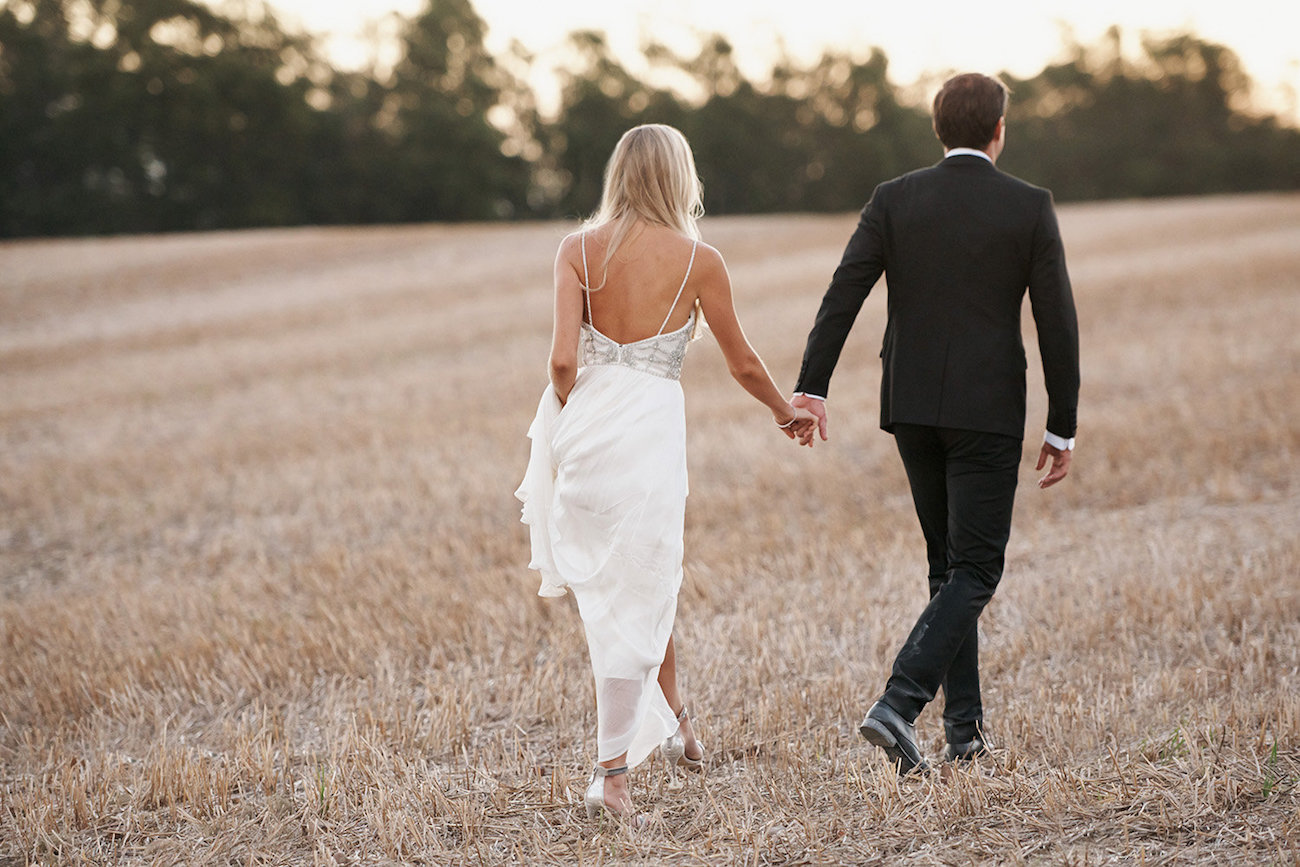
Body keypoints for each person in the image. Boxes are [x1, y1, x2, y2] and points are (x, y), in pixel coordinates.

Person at [516, 124, 817, 821]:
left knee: (643, 580)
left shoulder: (575, 249)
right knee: (642, 580)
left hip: (587, 426)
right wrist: (783, 410)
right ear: (679, 178)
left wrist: (572, 417)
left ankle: (678, 722)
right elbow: (742, 361)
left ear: (618, 174)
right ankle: (613, 776)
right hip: (649, 432)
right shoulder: (699, 260)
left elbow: (562, 361)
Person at [791, 73, 1080, 773]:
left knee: (948, 566)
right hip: (987, 409)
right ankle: (900, 699)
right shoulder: (1028, 206)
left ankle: (965, 732)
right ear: (999, 130)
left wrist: (812, 385)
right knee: (976, 566)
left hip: (913, 404)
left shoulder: (895, 199)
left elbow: (844, 292)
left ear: (938, 129)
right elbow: (1056, 320)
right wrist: (1062, 423)